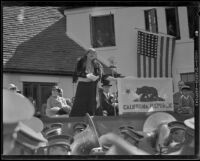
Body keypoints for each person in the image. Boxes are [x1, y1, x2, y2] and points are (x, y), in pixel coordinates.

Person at [70, 48, 104, 117]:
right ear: (87, 54)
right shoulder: (81, 62)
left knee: (91, 104)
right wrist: (87, 75)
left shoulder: (97, 64)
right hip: (82, 85)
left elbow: (100, 74)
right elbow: (77, 73)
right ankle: (76, 119)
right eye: (90, 53)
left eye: (94, 53)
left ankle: (91, 118)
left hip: (92, 86)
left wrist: (96, 77)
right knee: (80, 103)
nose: (92, 54)